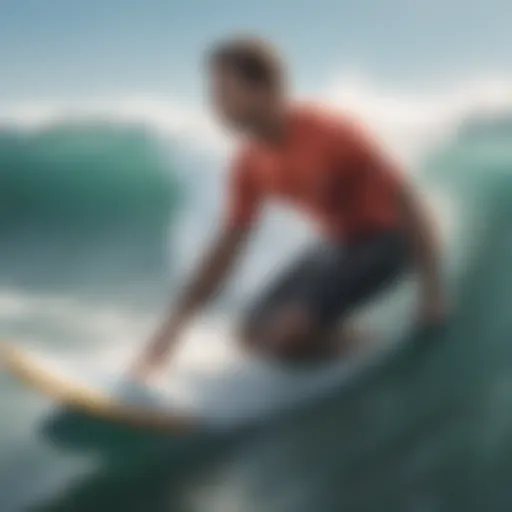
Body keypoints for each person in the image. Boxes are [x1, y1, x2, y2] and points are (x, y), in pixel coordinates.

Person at [131, 36, 446, 379]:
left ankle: (370, 352)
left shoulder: (330, 132)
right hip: (339, 244)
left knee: (286, 333)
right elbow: (226, 249)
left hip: (389, 241)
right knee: (248, 336)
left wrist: (432, 291)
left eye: (223, 91)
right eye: (212, 94)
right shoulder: (249, 164)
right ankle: (359, 346)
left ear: (265, 88)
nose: (214, 105)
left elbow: (408, 199)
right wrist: (173, 329)